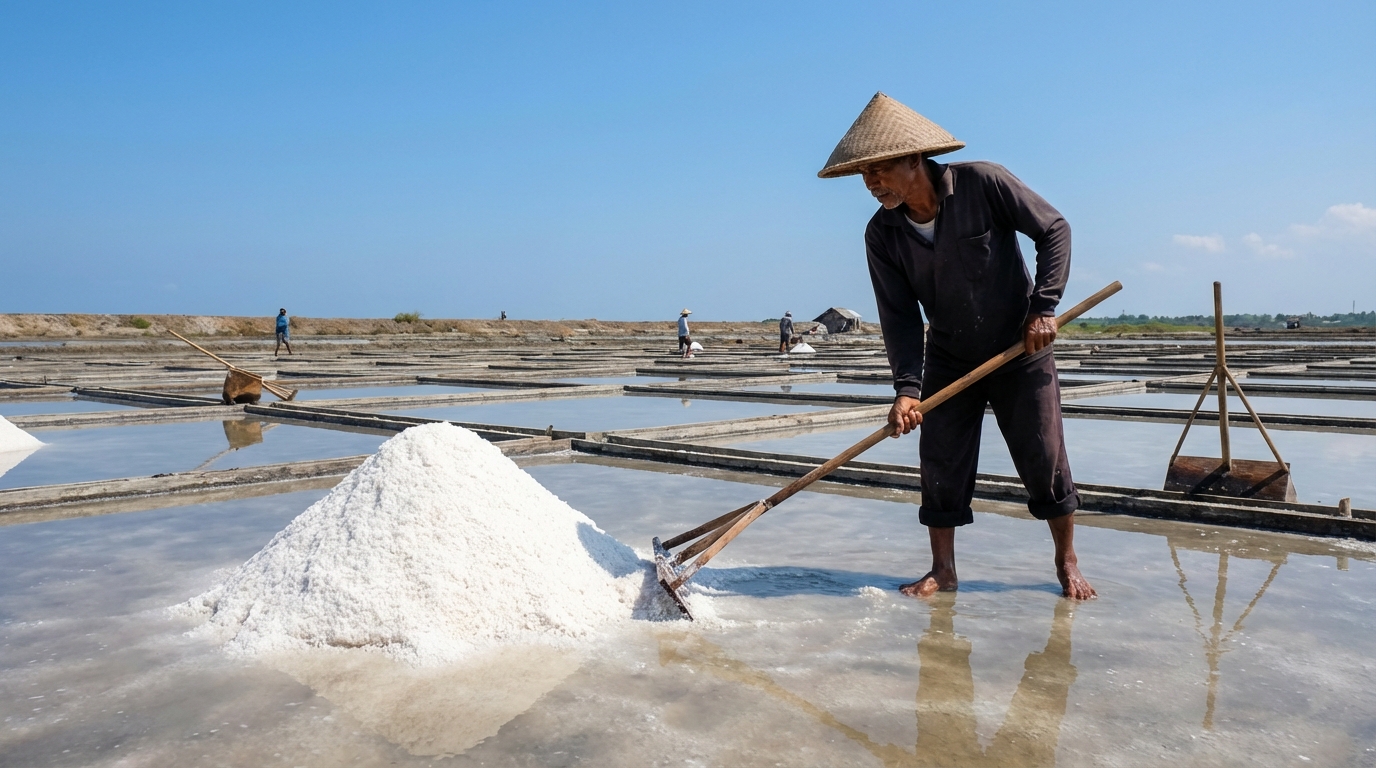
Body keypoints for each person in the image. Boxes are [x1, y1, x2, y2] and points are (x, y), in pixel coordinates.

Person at [818, 92, 1094, 600]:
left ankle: (1066, 560)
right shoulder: (882, 233)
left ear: (913, 158)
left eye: (879, 170)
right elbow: (898, 315)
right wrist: (906, 388)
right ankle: (942, 570)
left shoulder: (983, 183)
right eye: (864, 176)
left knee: (1045, 456)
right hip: (948, 354)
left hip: (1021, 348)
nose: (871, 184)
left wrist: (1044, 307)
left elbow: (1054, 229)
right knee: (939, 460)